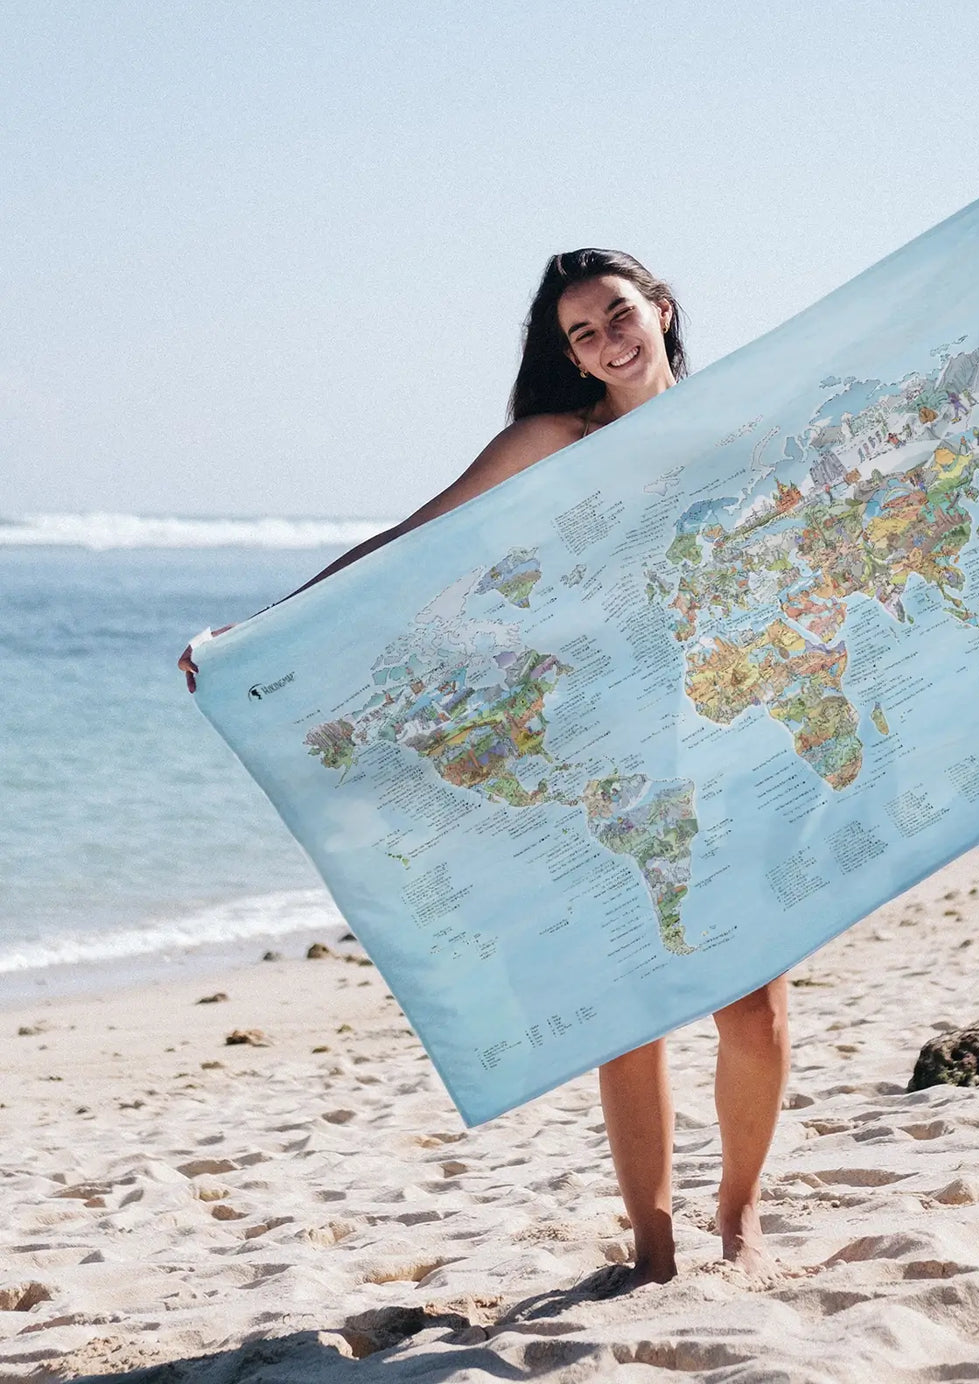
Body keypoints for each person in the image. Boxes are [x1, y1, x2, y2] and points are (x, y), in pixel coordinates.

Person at [178, 249, 791, 1290]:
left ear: (661, 307)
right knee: (629, 1010)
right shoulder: (556, 438)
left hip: (729, 729)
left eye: (616, 314)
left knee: (755, 1010)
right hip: (597, 743)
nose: (606, 341)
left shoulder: (737, 416)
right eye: (581, 334)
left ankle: (738, 1205)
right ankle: (652, 1238)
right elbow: (411, 543)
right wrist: (260, 633)